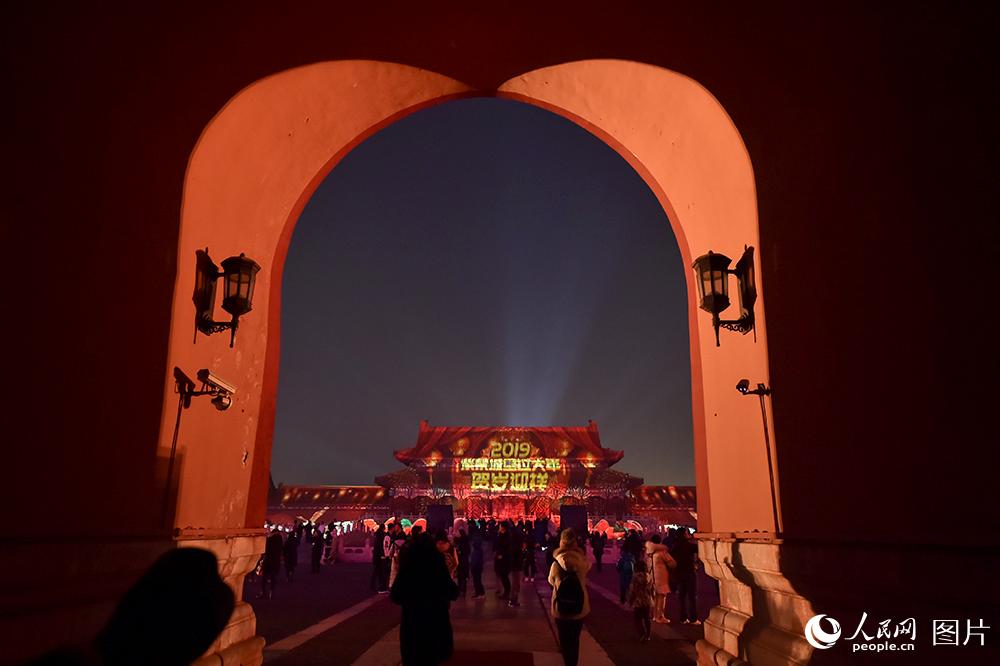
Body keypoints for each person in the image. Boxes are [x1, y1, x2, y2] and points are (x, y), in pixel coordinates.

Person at [390, 532, 459, 665]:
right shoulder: (438, 564)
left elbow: (396, 595)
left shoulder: (408, 566)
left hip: (413, 625)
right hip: (435, 624)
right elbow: (453, 592)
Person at [548, 529, 591, 666]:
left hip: (561, 607)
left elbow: (550, 581)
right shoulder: (582, 563)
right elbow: (588, 568)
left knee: (564, 641)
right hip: (579, 606)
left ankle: (567, 663)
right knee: (575, 640)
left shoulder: (556, 564)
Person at [670, 529, 700, 624]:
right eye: (687, 533)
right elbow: (699, 548)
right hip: (689, 572)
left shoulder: (675, 546)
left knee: (682, 597)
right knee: (692, 596)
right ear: (684, 535)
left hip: (679, 573)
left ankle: (683, 618)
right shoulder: (689, 545)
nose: (689, 534)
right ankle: (693, 618)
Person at [645, 534, 676, 623]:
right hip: (661, 577)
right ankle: (660, 616)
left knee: (653, 597)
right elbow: (672, 563)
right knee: (661, 597)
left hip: (651, 577)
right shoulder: (662, 552)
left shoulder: (648, 552)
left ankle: (653, 615)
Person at [626, 559, 654, 642]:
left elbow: (633, 590)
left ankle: (642, 633)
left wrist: (630, 600)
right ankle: (648, 635)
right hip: (647, 600)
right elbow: (652, 589)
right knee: (647, 619)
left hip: (638, 600)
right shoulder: (648, 576)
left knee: (637, 619)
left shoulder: (635, 577)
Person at [260, 527, 283, 598]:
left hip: (268, 560)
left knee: (264, 577)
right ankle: (271, 592)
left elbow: (265, 550)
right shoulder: (280, 541)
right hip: (275, 561)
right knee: (273, 577)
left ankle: (263, 592)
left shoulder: (269, 540)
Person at [508, 524, 524, 607]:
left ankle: (513, 599)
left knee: (515, 583)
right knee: (516, 584)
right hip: (516, 567)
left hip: (514, 566)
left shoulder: (511, 546)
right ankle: (513, 600)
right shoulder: (517, 548)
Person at [494, 521, 511, 600]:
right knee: (502, 576)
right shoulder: (500, 535)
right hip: (499, 559)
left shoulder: (507, 536)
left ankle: (507, 591)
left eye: (500, 526)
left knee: (504, 576)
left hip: (504, 560)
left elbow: (507, 547)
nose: (499, 527)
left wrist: (502, 555)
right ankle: (506, 591)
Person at [470, 523, 486, 599]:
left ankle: (480, 593)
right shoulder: (479, 549)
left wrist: (472, 566)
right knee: (477, 580)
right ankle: (480, 592)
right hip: (478, 567)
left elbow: (476, 559)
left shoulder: (476, 550)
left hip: (476, 567)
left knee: (477, 580)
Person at [371, 524, 387, 592]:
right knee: (380, 571)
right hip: (380, 556)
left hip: (376, 555)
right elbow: (381, 546)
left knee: (376, 571)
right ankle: (380, 586)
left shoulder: (377, 534)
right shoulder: (382, 535)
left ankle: (373, 585)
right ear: (383, 528)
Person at [455, 528, 470, 597]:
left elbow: (466, 551)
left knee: (462, 577)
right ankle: (460, 590)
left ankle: (462, 590)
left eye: (457, 532)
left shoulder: (463, 542)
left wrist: (460, 552)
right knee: (460, 577)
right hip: (461, 562)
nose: (456, 533)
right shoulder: (459, 541)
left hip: (463, 562)